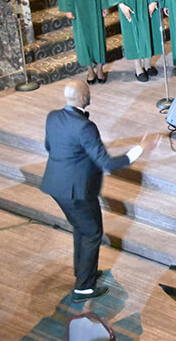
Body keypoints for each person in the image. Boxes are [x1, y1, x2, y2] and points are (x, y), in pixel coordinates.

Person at [40, 79, 157, 302]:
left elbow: (49, 147)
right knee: (92, 232)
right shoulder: (85, 127)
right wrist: (140, 149)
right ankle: (84, 288)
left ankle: (83, 272)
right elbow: (108, 164)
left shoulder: (53, 117)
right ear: (84, 98)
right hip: (78, 190)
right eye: (88, 92)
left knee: (80, 228)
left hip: (56, 185)